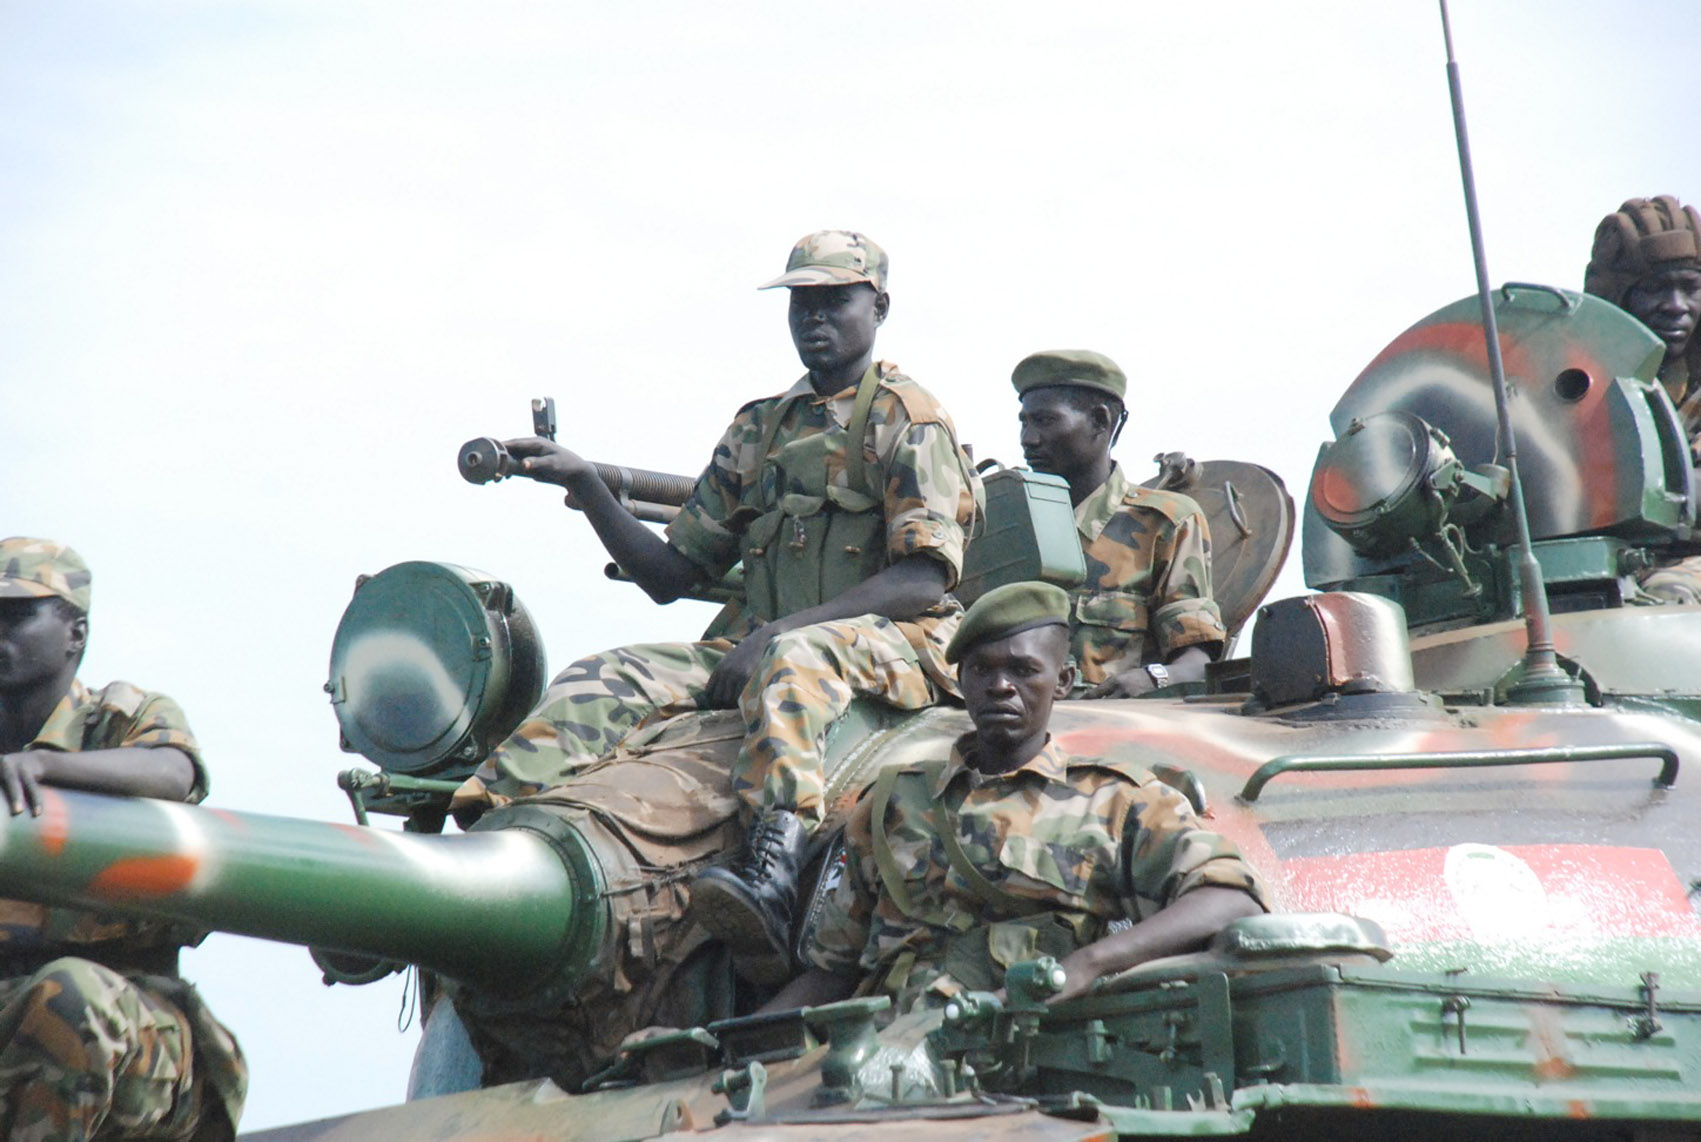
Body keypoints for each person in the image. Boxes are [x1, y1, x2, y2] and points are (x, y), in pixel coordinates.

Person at [452, 231, 978, 967]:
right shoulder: (760, 427)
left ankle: (774, 865)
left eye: (834, 301)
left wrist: (778, 632)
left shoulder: (907, 418)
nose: (813, 318)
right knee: (606, 675)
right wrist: (586, 486)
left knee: (793, 660)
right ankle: (474, 843)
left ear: (878, 306)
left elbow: (923, 579)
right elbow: (670, 575)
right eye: (801, 303)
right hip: (780, 644)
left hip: (903, 642)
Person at [766, 581, 1264, 1015]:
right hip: (894, 1058)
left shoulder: (1115, 800)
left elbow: (1229, 900)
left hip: (1033, 1057)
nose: (1001, 687)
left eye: (1024, 671)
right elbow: (833, 973)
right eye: (982, 670)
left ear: (1063, 681)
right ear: (961, 682)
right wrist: (729, 1046)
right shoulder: (894, 802)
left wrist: (1085, 967)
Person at [0, 538, 245, 1141]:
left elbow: (173, 772)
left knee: (68, 995)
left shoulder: (120, 718)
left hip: (134, 1034)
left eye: (17, 616)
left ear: (74, 634)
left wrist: (45, 770)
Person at [1011, 349, 1226, 696]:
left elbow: (1198, 663)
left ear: (1100, 421)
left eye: (1046, 421)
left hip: (1110, 734)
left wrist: (1151, 679)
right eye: (1024, 422)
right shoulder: (1005, 523)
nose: (1028, 439)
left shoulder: (1165, 523)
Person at [1584, 197, 1701, 603]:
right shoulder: (1580, 392)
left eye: (1690, 288)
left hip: (1685, 569)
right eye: (1654, 289)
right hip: (1609, 568)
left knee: (1671, 593)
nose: (1676, 307)